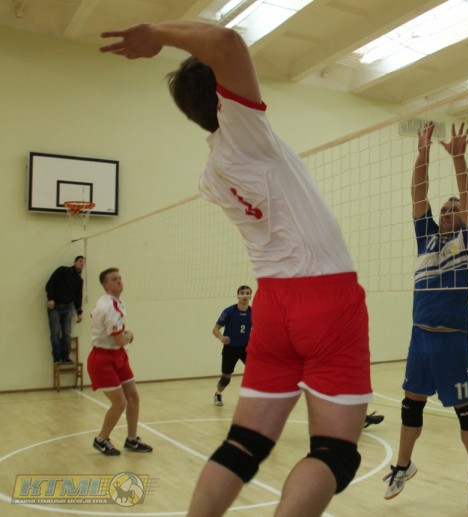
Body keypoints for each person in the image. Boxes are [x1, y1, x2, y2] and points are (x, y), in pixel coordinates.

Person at [100, 21, 371, 517]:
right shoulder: (246, 134)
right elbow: (226, 44)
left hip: (272, 306)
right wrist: (159, 34)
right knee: (335, 454)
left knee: (243, 446)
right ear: (223, 96)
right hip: (326, 297)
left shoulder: (212, 173)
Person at [383, 122, 468, 515]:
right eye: (444, 209)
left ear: (462, 218)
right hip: (419, 339)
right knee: (411, 405)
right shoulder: (425, 236)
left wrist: (458, 159)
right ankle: (402, 467)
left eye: (453, 210)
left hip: (452, 340)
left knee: (465, 412)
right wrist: (422, 153)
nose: (447, 212)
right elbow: (418, 193)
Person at [87, 267, 153, 456]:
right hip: (102, 359)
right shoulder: (108, 306)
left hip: (118, 355)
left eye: (120, 278)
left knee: (133, 397)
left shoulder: (116, 301)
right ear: (105, 285)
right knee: (120, 403)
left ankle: (132, 439)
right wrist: (130, 335)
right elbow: (120, 340)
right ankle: (101, 439)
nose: (119, 281)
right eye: (114, 279)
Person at [213, 285, 253, 407]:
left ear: (250, 296)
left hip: (246, 348)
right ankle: (218, 393)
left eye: (247, 293)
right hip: (230, 348)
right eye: (242, 293)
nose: (245, 295)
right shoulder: (229, 311)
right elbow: (215, 329)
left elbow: (259, 329)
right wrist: (221, 337)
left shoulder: (254, 312)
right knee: (226, 377)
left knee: (257, 373)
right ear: (238, 296)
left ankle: (255, 398)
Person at [45, 255, 85, 364]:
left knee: (67, 333)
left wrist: (79, 312)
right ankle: (57, 358)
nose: (82, 263)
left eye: (83, 262)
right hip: (55, 306)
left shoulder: (79, 280)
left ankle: (65, 357)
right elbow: (50, 283)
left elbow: (78, 297)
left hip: (68, 308)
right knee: (55, 333)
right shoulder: (63, 270)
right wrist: (50, 298)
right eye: (80, 261)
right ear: (75, 262)